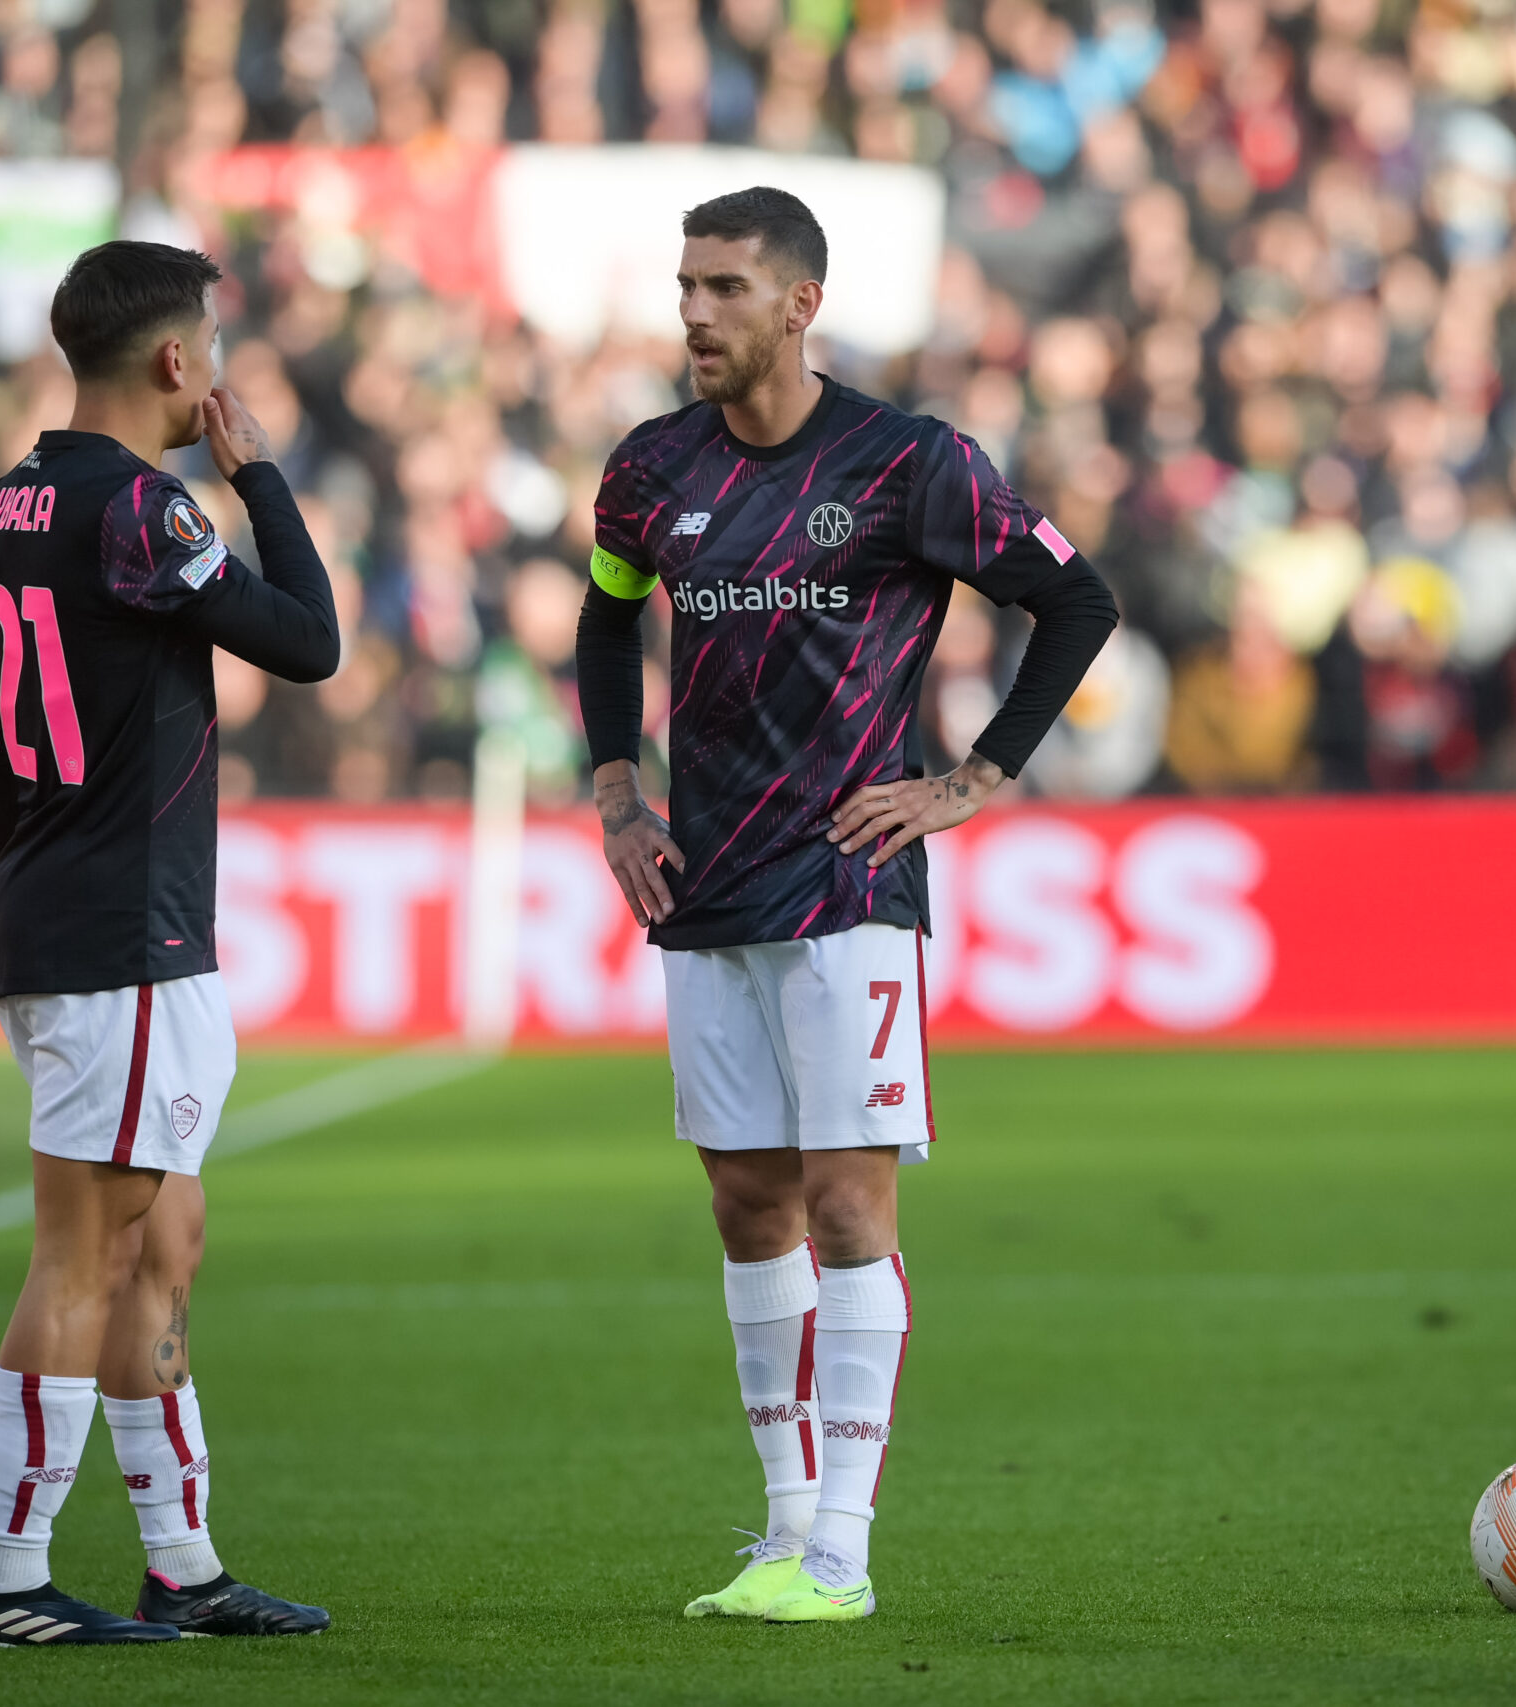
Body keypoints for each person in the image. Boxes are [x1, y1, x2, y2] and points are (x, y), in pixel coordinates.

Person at [575, 187, 1116, 1623]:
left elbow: (1079, 604)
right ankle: (779, 1535)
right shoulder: (649, 469)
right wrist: (618, 790)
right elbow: (602, 609)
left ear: (800, 305)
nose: (695, 312)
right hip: (705, 882)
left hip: (847, 881)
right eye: (686, 284)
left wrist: (976, 776)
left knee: (845, 1203)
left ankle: (843, 1556)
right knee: (747, 1202)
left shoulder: (907, 464)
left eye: (726, 289)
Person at [0, 240, 340, 1647]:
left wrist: (45, 863)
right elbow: (308, 642)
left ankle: (182, 1562)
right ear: (177, 361)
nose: (218, 373)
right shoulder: (140, 512)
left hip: (64, 905)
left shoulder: (0, 507)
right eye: (210, 347)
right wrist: (259, 476)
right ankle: (6, 1581)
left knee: (164, 1231)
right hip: (120, 929)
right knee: (87, 1252)